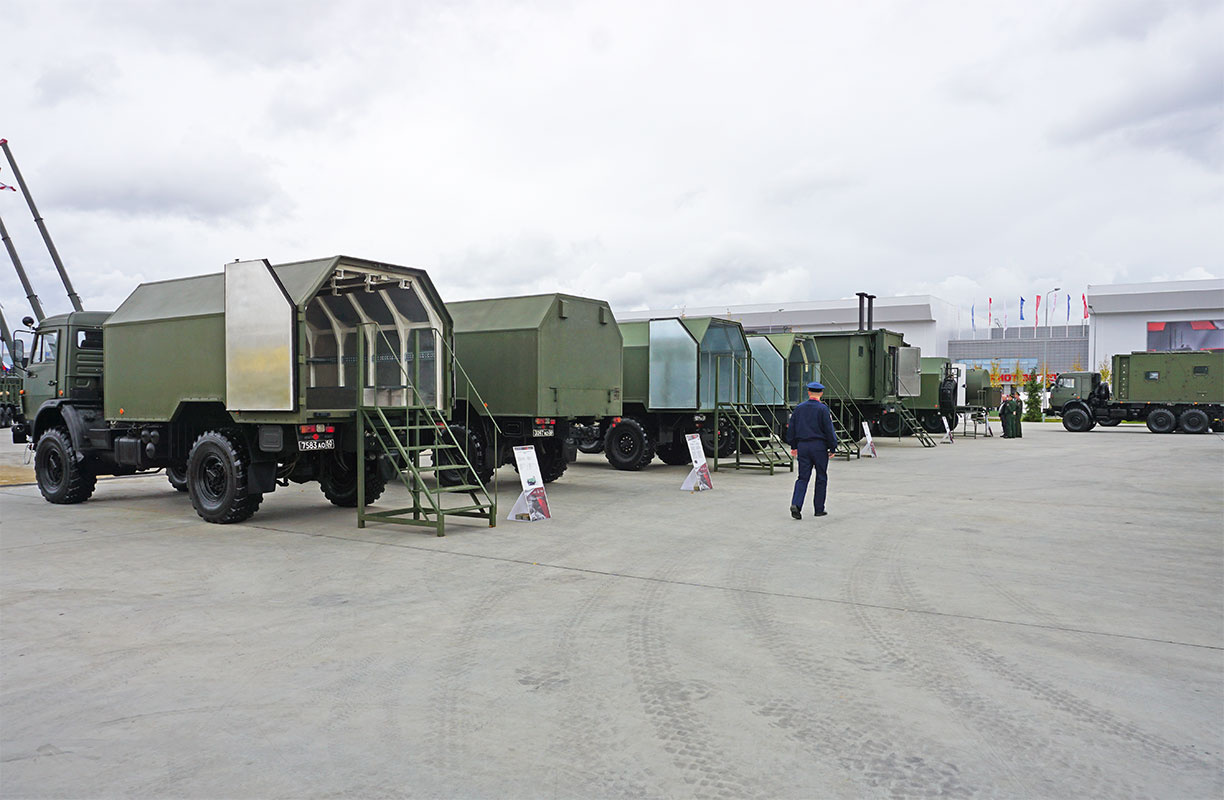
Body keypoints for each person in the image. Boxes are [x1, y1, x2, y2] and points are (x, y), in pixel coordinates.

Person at [786, 381, 837, 520]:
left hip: (803, 446)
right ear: (821, 393)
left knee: (802, 477)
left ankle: (796, 504)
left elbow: (791, 429)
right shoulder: (823, 409)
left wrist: (794, 446)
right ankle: (819, 509)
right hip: (819, 447)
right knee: (821, 477)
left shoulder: (799, 408)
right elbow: (829, 430)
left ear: (808, 392)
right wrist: (833, 447)